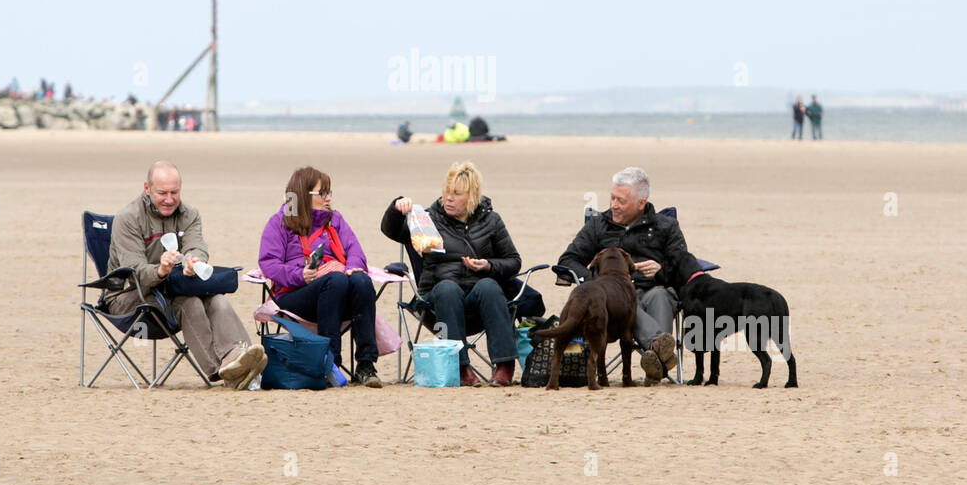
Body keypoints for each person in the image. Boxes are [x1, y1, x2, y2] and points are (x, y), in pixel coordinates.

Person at [106, 160, 265, 388]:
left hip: (172, 288)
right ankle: (221, 371)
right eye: (162, 193)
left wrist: (193, 260)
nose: (169, 199)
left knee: (216, 299)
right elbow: (136, 272)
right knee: (188, 302)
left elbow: (197, 246)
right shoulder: (128, 218)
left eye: (175, 192)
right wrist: (160, 270)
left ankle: (238, 356)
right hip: (128, 296)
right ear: (146, 188)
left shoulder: (189, 214)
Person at [380, 161, 523, 386]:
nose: (448, 198)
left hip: (478, 299)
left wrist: (488, 266)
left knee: (489, 286)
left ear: (472, 196)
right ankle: (460, 365)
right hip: (438, 299)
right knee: (448, 289)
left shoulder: (491, 220)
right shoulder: (427, 219)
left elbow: (513, 261)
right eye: (447, 192)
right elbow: (391, 230)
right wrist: (396, 207)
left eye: (456, 194)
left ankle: (505, 365)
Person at [556, 166, 690, 386]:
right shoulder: (599, 225)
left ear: (641, 203)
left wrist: (661, 269)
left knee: (660, 295)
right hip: (612, 301)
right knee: (626, 300)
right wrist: (599, 285)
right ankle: (659, 350)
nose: (613, 205)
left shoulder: (666, 226)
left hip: (654, 291)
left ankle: (656, 360)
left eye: (620, 201)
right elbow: (567, 260)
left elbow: (685, 266)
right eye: (612, 198)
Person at [258, 166, 382, 387]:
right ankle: (330, 362)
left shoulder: (335, 220)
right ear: (303, 196)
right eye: (322, 193)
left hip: (337, 290)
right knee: (336, 280)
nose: (328, 198)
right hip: (295, 296)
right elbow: (269, 265)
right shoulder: (280, 223)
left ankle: (366, 364)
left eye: (329, 192)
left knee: (360, 280)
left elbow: (355, 250)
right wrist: (300, 275)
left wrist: (353, 266)